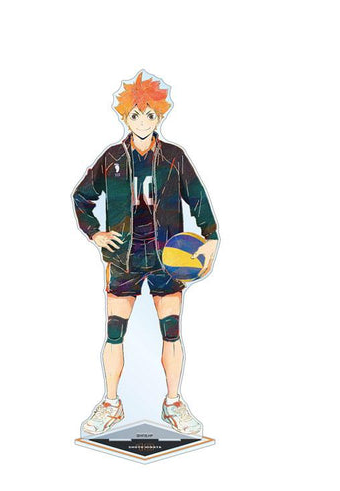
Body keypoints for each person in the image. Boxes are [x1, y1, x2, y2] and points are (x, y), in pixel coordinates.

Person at [72, 71, 219, 435]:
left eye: (150, 114)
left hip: (167, 257)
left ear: (160, 116)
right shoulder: (112, 157)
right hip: (123, 257)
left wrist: (211, 237)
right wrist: (95, 233)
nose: (142, 121)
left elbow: (197, 197)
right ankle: (111, 403)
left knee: (171, 331)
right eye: (135, 114)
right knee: (114, 332)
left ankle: (173, 402)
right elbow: (81, 196)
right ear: (125, 116)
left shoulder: (173, 157)